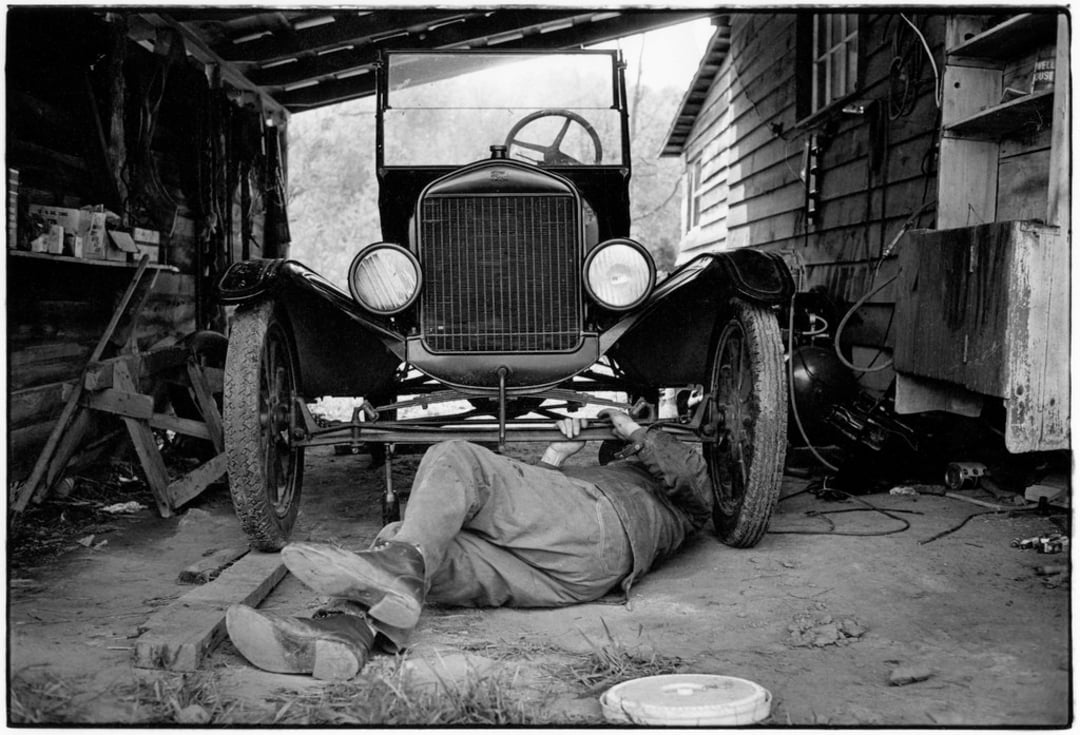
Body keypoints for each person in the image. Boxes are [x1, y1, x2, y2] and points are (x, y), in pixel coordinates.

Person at [225, 409, 711, 680]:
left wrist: (634, 429)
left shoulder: (654, 484)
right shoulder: (601, 483)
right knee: (409, 539)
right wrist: (555, 456)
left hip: (596, 526)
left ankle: (397, 571)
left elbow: (693, 481)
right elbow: (534, 522)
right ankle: (344, 634)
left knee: (457, 459)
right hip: (575, 579)